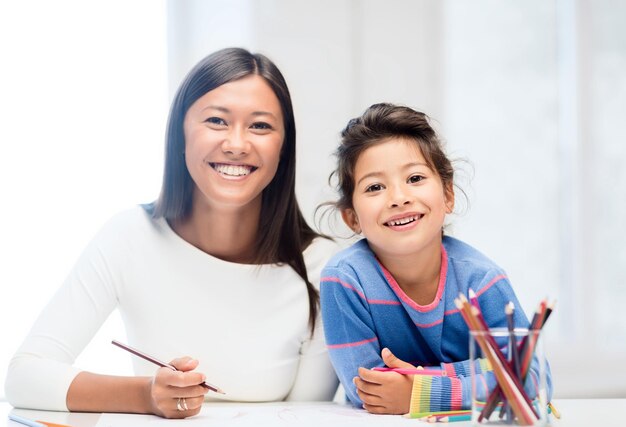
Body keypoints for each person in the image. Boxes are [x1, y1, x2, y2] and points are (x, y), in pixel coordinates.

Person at [5, 47, 339, 418]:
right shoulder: (129, 236)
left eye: (260, 125)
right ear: (180, 134)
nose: (236, 144)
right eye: (216, 120)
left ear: (283, 147)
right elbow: (24, 376)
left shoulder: (324, 268)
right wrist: (145, 396)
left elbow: (312, 416)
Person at [319, 103, 552, 415]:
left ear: (448, 195)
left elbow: (531, 379)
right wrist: (480, 370)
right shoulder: (346, 279)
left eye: (415, 178)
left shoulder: (482, 281)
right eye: (375, 187)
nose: (398, 198)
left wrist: (422, 390)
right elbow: (370, 389)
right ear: (352, 218)